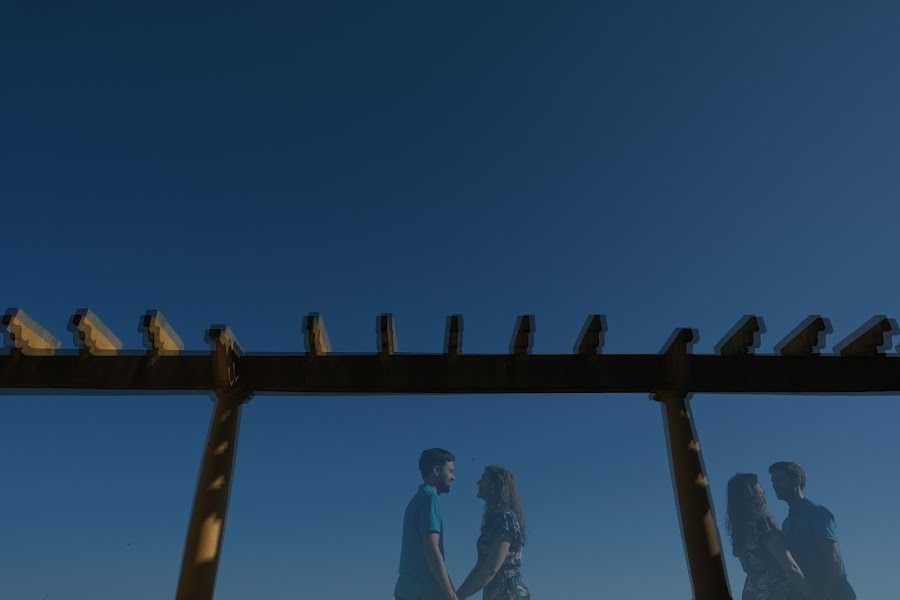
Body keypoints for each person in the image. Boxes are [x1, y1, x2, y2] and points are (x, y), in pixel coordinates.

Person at [769, 462, 856, 600]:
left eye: (779, 480)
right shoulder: (786, 524)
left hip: (835, 594)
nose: (774, 485)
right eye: (773, 482)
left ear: (796, 481)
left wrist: (826, 596)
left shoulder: (817, 513)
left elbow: (833, 558)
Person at [726, 473, 812, 600]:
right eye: (758, 485)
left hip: (753, 594)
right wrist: (813, 595)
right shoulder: (762, 524)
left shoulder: (740, 532)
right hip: (776, 592)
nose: (763, 489)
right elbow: (790, 567)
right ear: (751, 492)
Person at [457, 466, 531, 600]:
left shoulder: (506, 517)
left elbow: (492, 567)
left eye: (483, 478)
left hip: (509, 593)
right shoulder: (495, 520)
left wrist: (458, 596)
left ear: (494, 485)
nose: (478, 482)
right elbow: (481, 566)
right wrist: (456, 595)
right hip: (496, 593)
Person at [395, 448, 458, 600]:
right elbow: (431, 549)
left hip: (406, 589)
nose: (453, 477)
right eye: (450, 471)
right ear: (437, 470)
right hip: (424, 592)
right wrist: (450, 594)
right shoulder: (431, 498)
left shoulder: (416, 500)